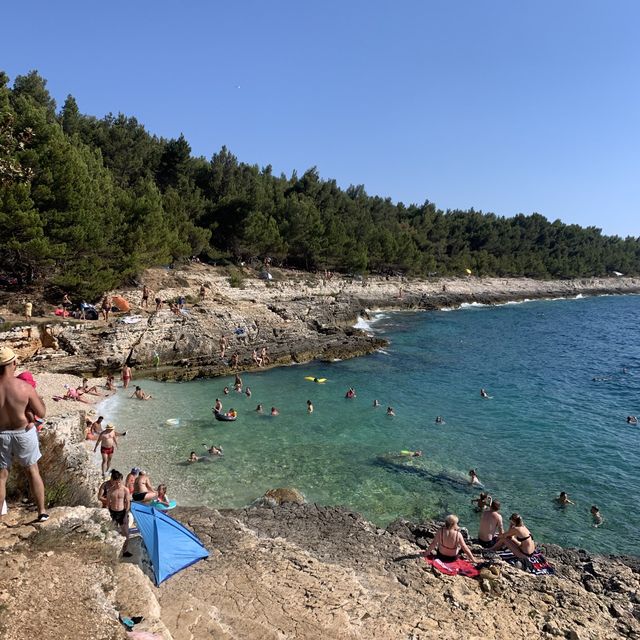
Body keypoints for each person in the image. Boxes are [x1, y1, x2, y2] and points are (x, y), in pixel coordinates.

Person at [0, 348, 49, 522]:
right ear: (13, 363)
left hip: (1, 434)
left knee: (1, 476)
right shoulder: (24, 387)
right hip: (23, 432)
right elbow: (41, 412)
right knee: (32, 470)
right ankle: (42, 511)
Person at [106, 470, 131, 556]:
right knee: (112, 533)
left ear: (121, 480)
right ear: (113, 481)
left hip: (122, 512)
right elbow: (108, 504)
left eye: (119, 482)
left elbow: (128, 503)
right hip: (112, 513)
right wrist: (107, 514)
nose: (118, 484)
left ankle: (125, 551)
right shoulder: (110, 490)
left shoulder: (125, 490)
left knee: (126, 534)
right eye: (116, 482)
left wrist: (125, 515)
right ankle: (113, 551)